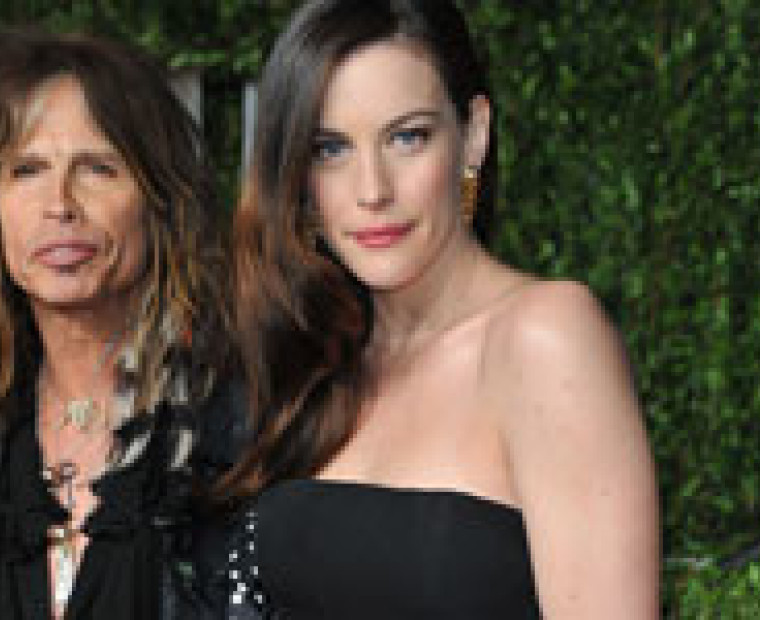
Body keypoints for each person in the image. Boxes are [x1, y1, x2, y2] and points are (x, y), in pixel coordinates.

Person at [219, 0, 659, 618]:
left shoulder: (546, 336)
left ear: (473, 135)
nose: (372, 190)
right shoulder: (316, 360)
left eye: (407, 138)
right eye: (330, 149)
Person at [0, 30, 232, 619]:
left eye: (97, 168)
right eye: (26, 170)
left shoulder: (239, 417)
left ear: (159, 200)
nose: (60, 204)